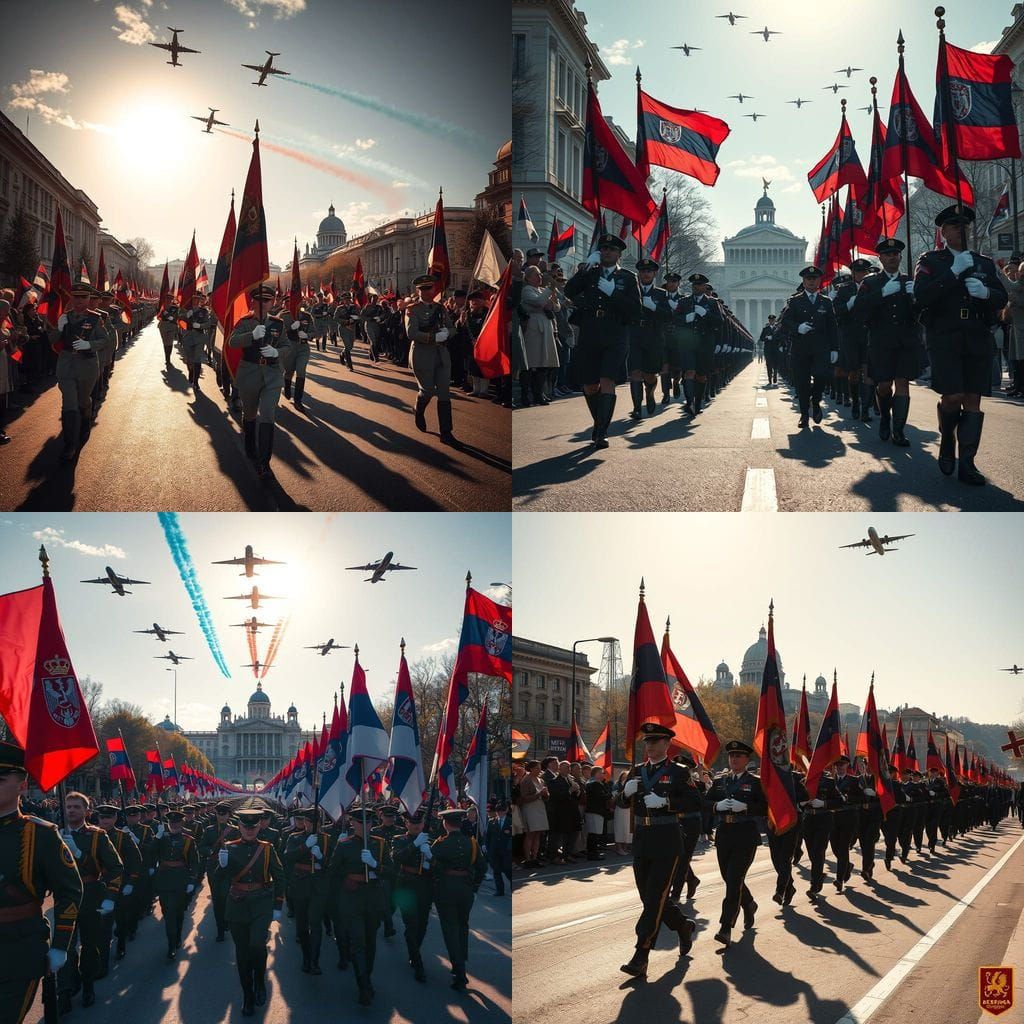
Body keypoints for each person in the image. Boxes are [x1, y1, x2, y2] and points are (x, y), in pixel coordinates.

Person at [914, 204, 1008, 484]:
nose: (961, 230)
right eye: (955, 226)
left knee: (973, 399)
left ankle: (968, 463)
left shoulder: (984, 263)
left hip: (977, 336)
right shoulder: (931, 261)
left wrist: (986, 293)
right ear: (943, 232)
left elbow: (1001, 297)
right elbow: (922, 296)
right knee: (953, 396)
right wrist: (953, 272)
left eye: (965, 225)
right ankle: (947, 439)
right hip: (945, 337)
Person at [0, 741, 83, 1024]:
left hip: (18, 949)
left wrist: (60, 944)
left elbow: (69, 891)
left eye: (0, 780)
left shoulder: (41, 834)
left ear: (22, 786)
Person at [616, 722, 697, 978]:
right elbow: (619, 802)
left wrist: (666, 802)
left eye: (655, 741)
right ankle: (682, 925)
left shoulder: (678, 772)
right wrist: (624, 793)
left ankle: (641, 954)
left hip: (667, 840)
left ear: (667, 744)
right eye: (647, 742)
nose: (650, 746)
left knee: (654, 900)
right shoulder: (637, 770)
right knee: (650, 898)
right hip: (642, 839)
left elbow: (695, 801)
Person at [563, 235, 640, 448]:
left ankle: (602, 433)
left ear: (619, 254)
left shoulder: (628, 277)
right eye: (604, 248)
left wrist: (613, 292)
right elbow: (569, 290)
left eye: (612, 249)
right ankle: (599, 423)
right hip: (590, 332)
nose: (607, 252)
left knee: (607, 379)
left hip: (615, 334)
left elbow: (635, 309)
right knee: (589, 385)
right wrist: (584, 269)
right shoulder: (590, 273)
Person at [56, 791, 123, 1012]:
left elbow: (115, 867)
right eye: (68, 806)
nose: (71, 810)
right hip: (64, 897)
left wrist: (110, 897)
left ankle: (87, 985)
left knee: (89, 944)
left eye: (77, 807)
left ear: (87, 811)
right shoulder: (54, 835)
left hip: (90, 894)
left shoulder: (97, 836)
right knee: (64, 946)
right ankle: (65, 990)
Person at [218, 807, 284, 1016]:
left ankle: (259, 981)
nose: (249, 830)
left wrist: (278, 905)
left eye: (253, 827)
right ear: (239, 826)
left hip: (261, 903)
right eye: (245, 826)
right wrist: (221, 865)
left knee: (257, 944)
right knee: (242, 952)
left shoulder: (267, 848)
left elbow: (279, 876)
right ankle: (247, 995)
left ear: (258, 827)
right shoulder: (229, 848)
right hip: (237, 904)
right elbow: (220, 879)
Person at [854, 239, 920, 445]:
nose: (892, 257)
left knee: (903, 383)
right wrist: (882, 293)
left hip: (905, 342)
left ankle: (898, 431)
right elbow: (859, 309)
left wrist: (916, 297)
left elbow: (921, 313)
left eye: (895, 254)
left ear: (900, 257)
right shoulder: (871, 283)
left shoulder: (909, 281)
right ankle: (885, 417)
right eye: (888, 254)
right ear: (880, 258)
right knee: (884, 386)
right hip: (881, 342)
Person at [705, 740, 767, 949]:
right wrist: (716, 806)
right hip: (724, 833)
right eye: (731, 756)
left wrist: (746, 807)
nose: (734, 759)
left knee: (734, 880)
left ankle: (726, 927)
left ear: (747, 759)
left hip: (745, 834)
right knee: (729, 877)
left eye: (738, 756)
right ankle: (749, 903)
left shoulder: (756, 782)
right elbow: (704, 803)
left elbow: (766, 807)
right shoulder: (720, 781)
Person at [228, 283, 291, 479]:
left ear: (272, 303)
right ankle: (249, 444)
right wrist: (251, 336)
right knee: (250, 414)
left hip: (272, 375)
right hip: (249, 374)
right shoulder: (245, 322)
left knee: (267, 413)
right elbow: (232, 342)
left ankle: (264, 463)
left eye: (267, 300)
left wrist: (276, 352)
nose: (263, 304)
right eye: (259, 300)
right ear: (252, 302)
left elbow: (287, 346)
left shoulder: (278, 324)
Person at [327, 802, 388, 1006]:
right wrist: (344, 883)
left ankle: (366, 976)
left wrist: (375, 864)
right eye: (361, 822)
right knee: (358, 942)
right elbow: (332, 873)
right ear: (353, 823)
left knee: (370, 942)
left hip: (373, 899)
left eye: (368, 822)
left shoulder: (380, 844)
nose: (365, 825)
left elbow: (391, 871)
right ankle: (363, 985)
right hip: (351, 899)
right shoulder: (344, 845)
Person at [48, 283, 109, 461]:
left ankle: (85, 422)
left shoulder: (96, 318)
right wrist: (59, 328)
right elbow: (51, 339)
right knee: (69, 403)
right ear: (72, 298)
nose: (79, 301)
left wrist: (89, 344)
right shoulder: (64, 317)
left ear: (89, 299)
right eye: (76, 297)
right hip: (66, 364)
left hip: (87, 366)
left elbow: (104, 340)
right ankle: (70, 445)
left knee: (83, 401)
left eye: (83, 297)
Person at [429, 808, 487, 991]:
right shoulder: (472, 843)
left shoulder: (440, 844)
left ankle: (459, 972)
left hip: (445, 890)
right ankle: (460, 962)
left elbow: (431, 868)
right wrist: (474, 887)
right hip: (466, 890)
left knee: (450, 930)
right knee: (463, 927)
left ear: (445, 823)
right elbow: (482, 868)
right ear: (460, 823)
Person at [781, 267, 838, 428]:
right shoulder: (795, 301)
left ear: (819, 281)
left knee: (821, 376)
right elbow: (785, 322)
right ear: (804, 281)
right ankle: (804, 414)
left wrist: (835, 348)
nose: (812, 281)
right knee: (802, 382)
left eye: (814, 278)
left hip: (821, 348)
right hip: (801, 348)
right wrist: (798, 327)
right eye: (808, 278)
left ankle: (816, 400)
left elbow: (832, 326)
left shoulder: (826, 301)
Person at [283, 807, 338, 975]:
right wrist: (304, 847)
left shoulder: (328, 839)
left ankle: (314, 961)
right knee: (301, 926)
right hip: (300, 885)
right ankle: (306, 957)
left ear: (320, 823)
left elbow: (334, 866)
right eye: (308, 821)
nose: (312, 825)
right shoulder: (294, 837)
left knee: (315, 923)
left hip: (319, 887)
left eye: (315, 822)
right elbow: (287, 857)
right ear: (304, 822)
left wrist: (321, 857)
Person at [405, 275, 457, 443]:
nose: (427, 291)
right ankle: (418, 409)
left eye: (429, 288)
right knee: (427, 391)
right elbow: (411, 333)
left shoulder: (440, 308)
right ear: (418, 291)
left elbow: (452, 328)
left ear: (434, 289)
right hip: (422, 355)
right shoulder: (412, 309)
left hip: (441, 355)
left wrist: (448, 333)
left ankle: (446, 432)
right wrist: (433, 337)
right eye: (423, 289)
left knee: (444, 393)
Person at [94, 804, 142, 969]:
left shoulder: (123, 836)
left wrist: (131, 882)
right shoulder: (92, 835)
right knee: (102, 925)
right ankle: (102, 960)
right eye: (102, 817)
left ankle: (121, 944)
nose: (105, 820)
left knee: (121, 919)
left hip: (120, 883)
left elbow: (136, 860)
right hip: (99, 886)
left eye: (108, 817)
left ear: (115, 818)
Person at [389, 809, 434, 981]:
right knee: (411, 925)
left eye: (419, 823)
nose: (416, 826)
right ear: (406, 823)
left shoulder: (431, 840)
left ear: (423, 823)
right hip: (406, 886)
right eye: (413, 823)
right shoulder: (399, 840)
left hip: (425, 888)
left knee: (422, 926)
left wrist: (430, 856)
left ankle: (414, 952)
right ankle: (417, 963)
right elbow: (396, 858)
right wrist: (414, 845)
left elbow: (439, 866)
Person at [152, 808, 200, 960]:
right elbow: (151, 854)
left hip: (181, 880)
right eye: (171, 822)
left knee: (178, 913)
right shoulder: (161, 838)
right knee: (168, 913)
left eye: (177, 822)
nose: (174, 825)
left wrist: (192, 880)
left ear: (181, 823)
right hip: (164, 881)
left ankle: (177, 937)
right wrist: (157, 837)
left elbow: (194, 862)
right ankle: (171, 944)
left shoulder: (188, 839)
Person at [628, 258, 670, 419]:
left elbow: (668, 316)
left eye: (649, 271)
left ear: (654, 273)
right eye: (643, 271)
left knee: (649, 375)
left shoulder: (661, 294)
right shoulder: (632, 291)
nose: (645, 274)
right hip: (635, 335)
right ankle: (637, 408)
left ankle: (650, 393)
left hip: (653, 337)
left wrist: (654, 307)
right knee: (635, 372)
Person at [200, 802, 238, 941]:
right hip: (214, 868)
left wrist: (230, 854)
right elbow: (201, 847)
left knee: (227, 897)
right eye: (219, 814)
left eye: (224, 814)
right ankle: (220, 929)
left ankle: (227, 920)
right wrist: (210, 851)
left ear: (229, 815)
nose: (221, 817)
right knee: (217, 899)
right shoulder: (209, 830)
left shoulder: (235, 830)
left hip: (229, 869)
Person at [282, 302, 315, 412]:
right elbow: (279, 332)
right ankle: (287, 385)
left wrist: (307, 335)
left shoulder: (307, 316)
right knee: (289, 371)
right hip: (290, 347)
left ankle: (298, 401)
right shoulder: (284, 315)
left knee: (301, 371)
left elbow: (313, 332)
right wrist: (290, 328)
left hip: (303, 348)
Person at [181, 292, 214, 395]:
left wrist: (200, 326)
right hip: (188, 337)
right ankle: (191, 372)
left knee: (197, 359)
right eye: (194, 299)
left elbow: (208, 323)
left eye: (197, 299)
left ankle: (196, 381)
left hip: (199, 337)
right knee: (189, 359)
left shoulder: (203, 312)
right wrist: (186, 316)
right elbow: (179, 320)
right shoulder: (185, 310)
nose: (195, 301)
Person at [517, 760, 549, 868]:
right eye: (537, 768)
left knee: (538, 834)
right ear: (531, 769)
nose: (539, 770)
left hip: (540, 808)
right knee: (530, 834)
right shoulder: (526, 780)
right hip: (530, 808)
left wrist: (546, 794)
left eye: (540, 768)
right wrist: (539, 794)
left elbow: (546, 796)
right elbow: (524, 798)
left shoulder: (541, 780)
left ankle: (535, 857)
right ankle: (528, 859)